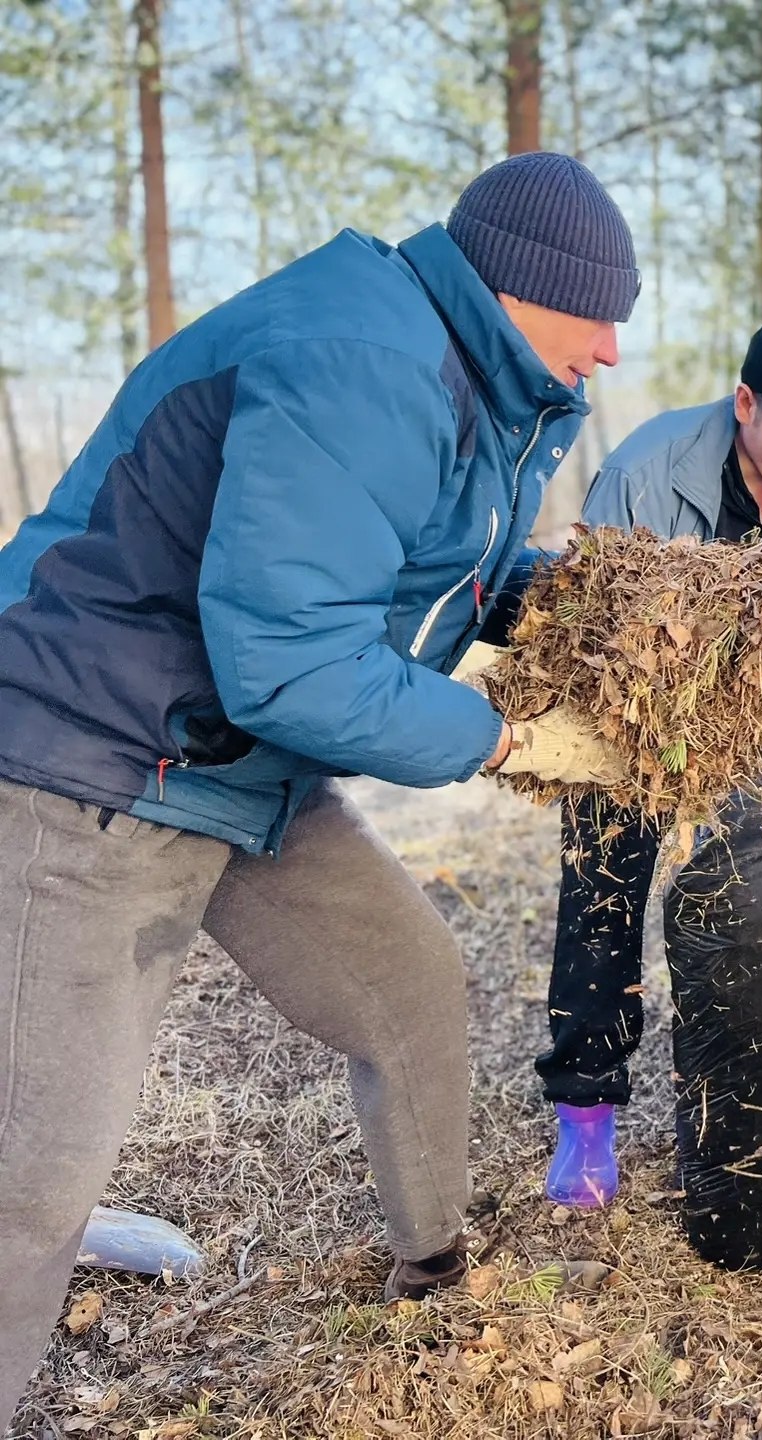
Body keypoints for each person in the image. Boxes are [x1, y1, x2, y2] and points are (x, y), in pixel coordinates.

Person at [0, 151, 638, 1426]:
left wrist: (569, 606)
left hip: (239, 772)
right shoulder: (368, 359)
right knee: (36, 1172)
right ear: (520, 289)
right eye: (598, 316)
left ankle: (433, 1266)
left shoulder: (474, 376)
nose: (613, 351)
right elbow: (288, 665)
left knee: (408, 991)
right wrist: (505, 741)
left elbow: (418, 565)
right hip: (98, 764)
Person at [535, 310, 762, 1208]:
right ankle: (586, 1114)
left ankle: (749, 1085)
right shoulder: (647, 472)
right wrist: (639, 740)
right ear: (746, 404)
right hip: (636, 719)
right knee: (604, 892)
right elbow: (594, 623)